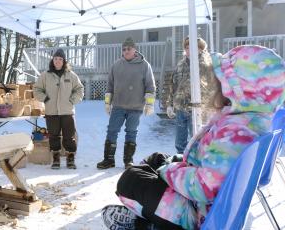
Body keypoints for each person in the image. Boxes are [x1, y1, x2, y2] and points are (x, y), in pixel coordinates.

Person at [101, 45, 285, 230]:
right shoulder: (251, 121)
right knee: (157, 159)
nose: (216, 84)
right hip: (202, 200)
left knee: (130, 180)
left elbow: (204, 188)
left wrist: (169, 171)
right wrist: (175, 165)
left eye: (222, 80)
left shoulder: (235, 133)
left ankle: (144, 224)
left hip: (196, 214)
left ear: (239, 89)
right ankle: (148, 211)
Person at [97, 38, 156, 169]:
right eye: (124, 49)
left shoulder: (144, 65)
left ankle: (128, 161)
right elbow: (110, 86)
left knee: (131, 132)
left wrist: (150, 104)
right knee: (112, 131)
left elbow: (150, 86)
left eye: (129, 48)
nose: (126, 51)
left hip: (135, 107)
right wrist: (107, 103)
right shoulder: (116, 65)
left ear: (135, 50)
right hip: (118, 105)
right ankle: (109, 159)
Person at [165, 36, 217, 154]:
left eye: (192, 48)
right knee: (179, 143)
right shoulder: (181, 64)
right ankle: (180, 162)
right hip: (181, 108)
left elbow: (214, 87)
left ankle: (195, 163)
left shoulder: (207, 64)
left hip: (198, 109)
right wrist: (169, 104)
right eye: (187, 48)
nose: (189, 50)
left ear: (201, 49)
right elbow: (173, 84)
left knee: (196, 141)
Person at [33, 49, 84, 169]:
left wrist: (72, 100)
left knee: (69, 136)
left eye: (60, 59)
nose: (57, 61)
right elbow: (37, 89)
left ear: (64, 61)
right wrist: (45, 98)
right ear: (52, 60)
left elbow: (79, 89)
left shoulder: (71, 75)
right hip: (51, 112)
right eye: (55, 58)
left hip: (67, 111)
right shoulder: (45, 75)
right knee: (53, 136)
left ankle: (70, 158)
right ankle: (55, 158)